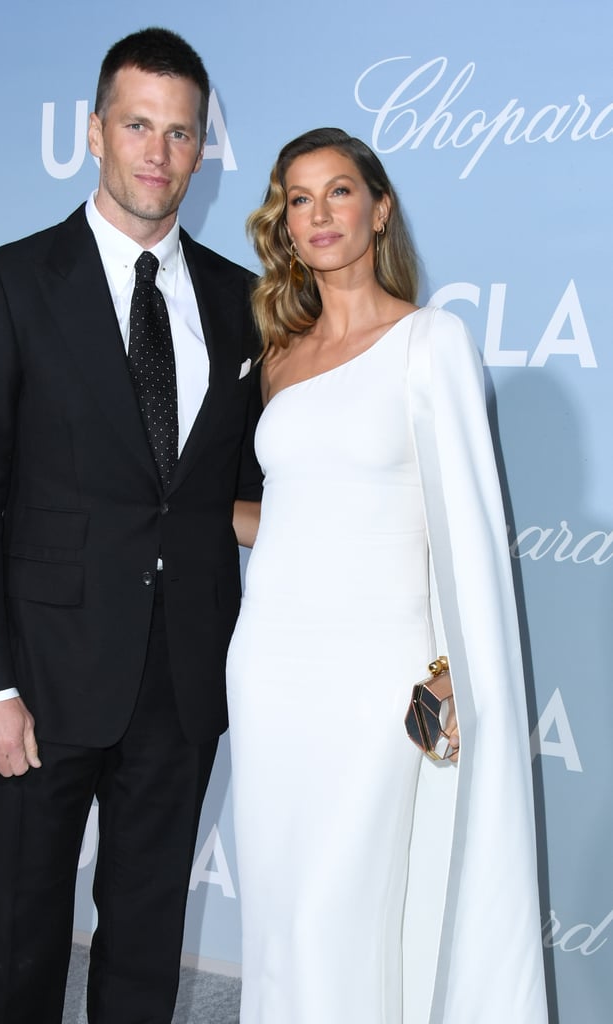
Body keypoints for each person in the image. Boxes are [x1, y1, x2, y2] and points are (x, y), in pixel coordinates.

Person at [0, 27, 262, 1024]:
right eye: (137, 125)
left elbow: (243, 493)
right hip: (40, 678)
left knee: (146, 949)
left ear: (202, 150)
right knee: (22, 947)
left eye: (181, 132)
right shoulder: (12, 283)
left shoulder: (242, 304)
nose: (158, 153)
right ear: (93, 133)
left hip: (182, 680)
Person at [227, 128, 548, 1023]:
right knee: (284, 914)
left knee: (346, 908)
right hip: (270, 670)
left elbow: (466, 540)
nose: (319, 214)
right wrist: (181, 513)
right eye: (299, 198)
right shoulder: (278, 358)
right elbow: (291, 517)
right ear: (283, 223)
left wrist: (450, 680)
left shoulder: (430, 342)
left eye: (338, 192)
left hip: (376, 677)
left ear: (380, 209)